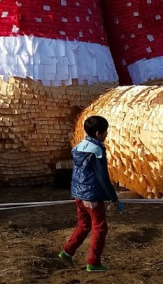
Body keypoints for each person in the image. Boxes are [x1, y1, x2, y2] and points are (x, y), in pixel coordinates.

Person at [58, 115, 123, 272]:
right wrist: (113, 198)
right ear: (98, 133)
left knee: (84, 224)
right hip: (92, 196)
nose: (106, 134)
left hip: (78, 194)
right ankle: (93, 263)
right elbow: (102, 176)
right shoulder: (97, 149)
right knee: (100, 228)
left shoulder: (79, 146)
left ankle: (67, 252)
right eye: (105, 132)